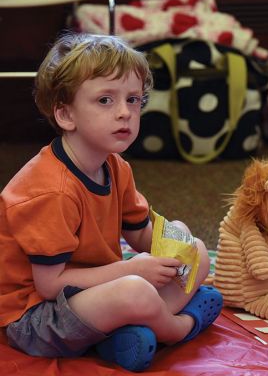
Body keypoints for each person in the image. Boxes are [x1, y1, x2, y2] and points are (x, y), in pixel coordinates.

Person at [0, 33, 223, 372]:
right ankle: (178, 327)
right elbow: (49, 286)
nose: (125, 113)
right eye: (105, 100)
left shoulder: (115, 166)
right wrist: (132, 269)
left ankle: (124, 335)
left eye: (134, 99)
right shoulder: (51, 191)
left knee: (197, 249)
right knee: (134, 291)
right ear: (65, 115)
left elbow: (140, 235)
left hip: (93, 290)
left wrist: (175, 241)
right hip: (33, 316)